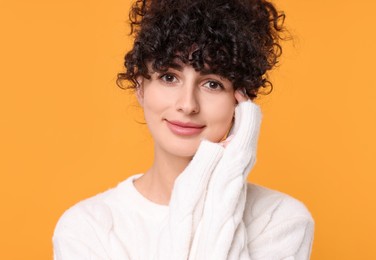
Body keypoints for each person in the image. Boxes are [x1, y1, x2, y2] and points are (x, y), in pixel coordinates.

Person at [52, 0, 314, 259]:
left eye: (212, 84)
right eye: (169, 77)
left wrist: (226, 175)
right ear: (140, 87)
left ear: (240, 101)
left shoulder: (279, 220)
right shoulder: (86, 229)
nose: (187, 105)